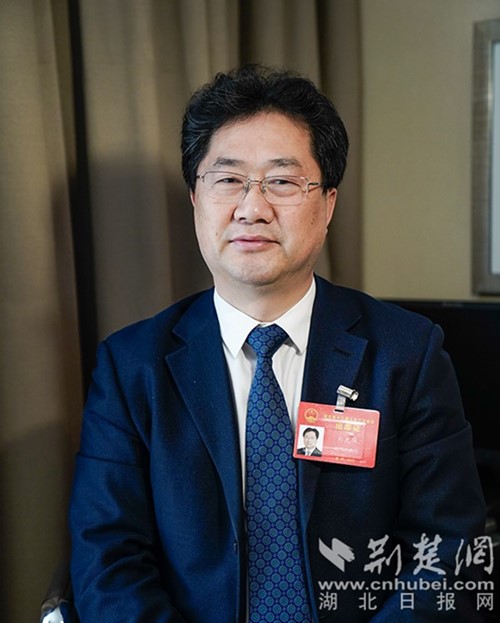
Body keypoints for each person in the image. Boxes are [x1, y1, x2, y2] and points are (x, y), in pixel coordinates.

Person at [68, 64, 488, 622]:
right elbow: (107, 559)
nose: (252, 208)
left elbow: (450, 549)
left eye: (283, 182)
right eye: (228, 180)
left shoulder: (406, 353)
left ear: (328, 202)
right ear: (195, 198)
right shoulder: (131, 367)